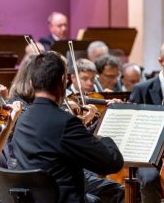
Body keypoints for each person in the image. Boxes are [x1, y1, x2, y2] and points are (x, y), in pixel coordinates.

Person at [10, 52, 124, 203]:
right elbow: (111, 163)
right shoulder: (65, 122)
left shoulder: (22, 119)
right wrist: (104, 135)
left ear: (31, 83)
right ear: (63, 81)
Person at [128, 40, 164, 203]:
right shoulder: (142, 89)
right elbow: (133, 127)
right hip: (148, 156)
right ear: (160, 62)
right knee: (150, 179)